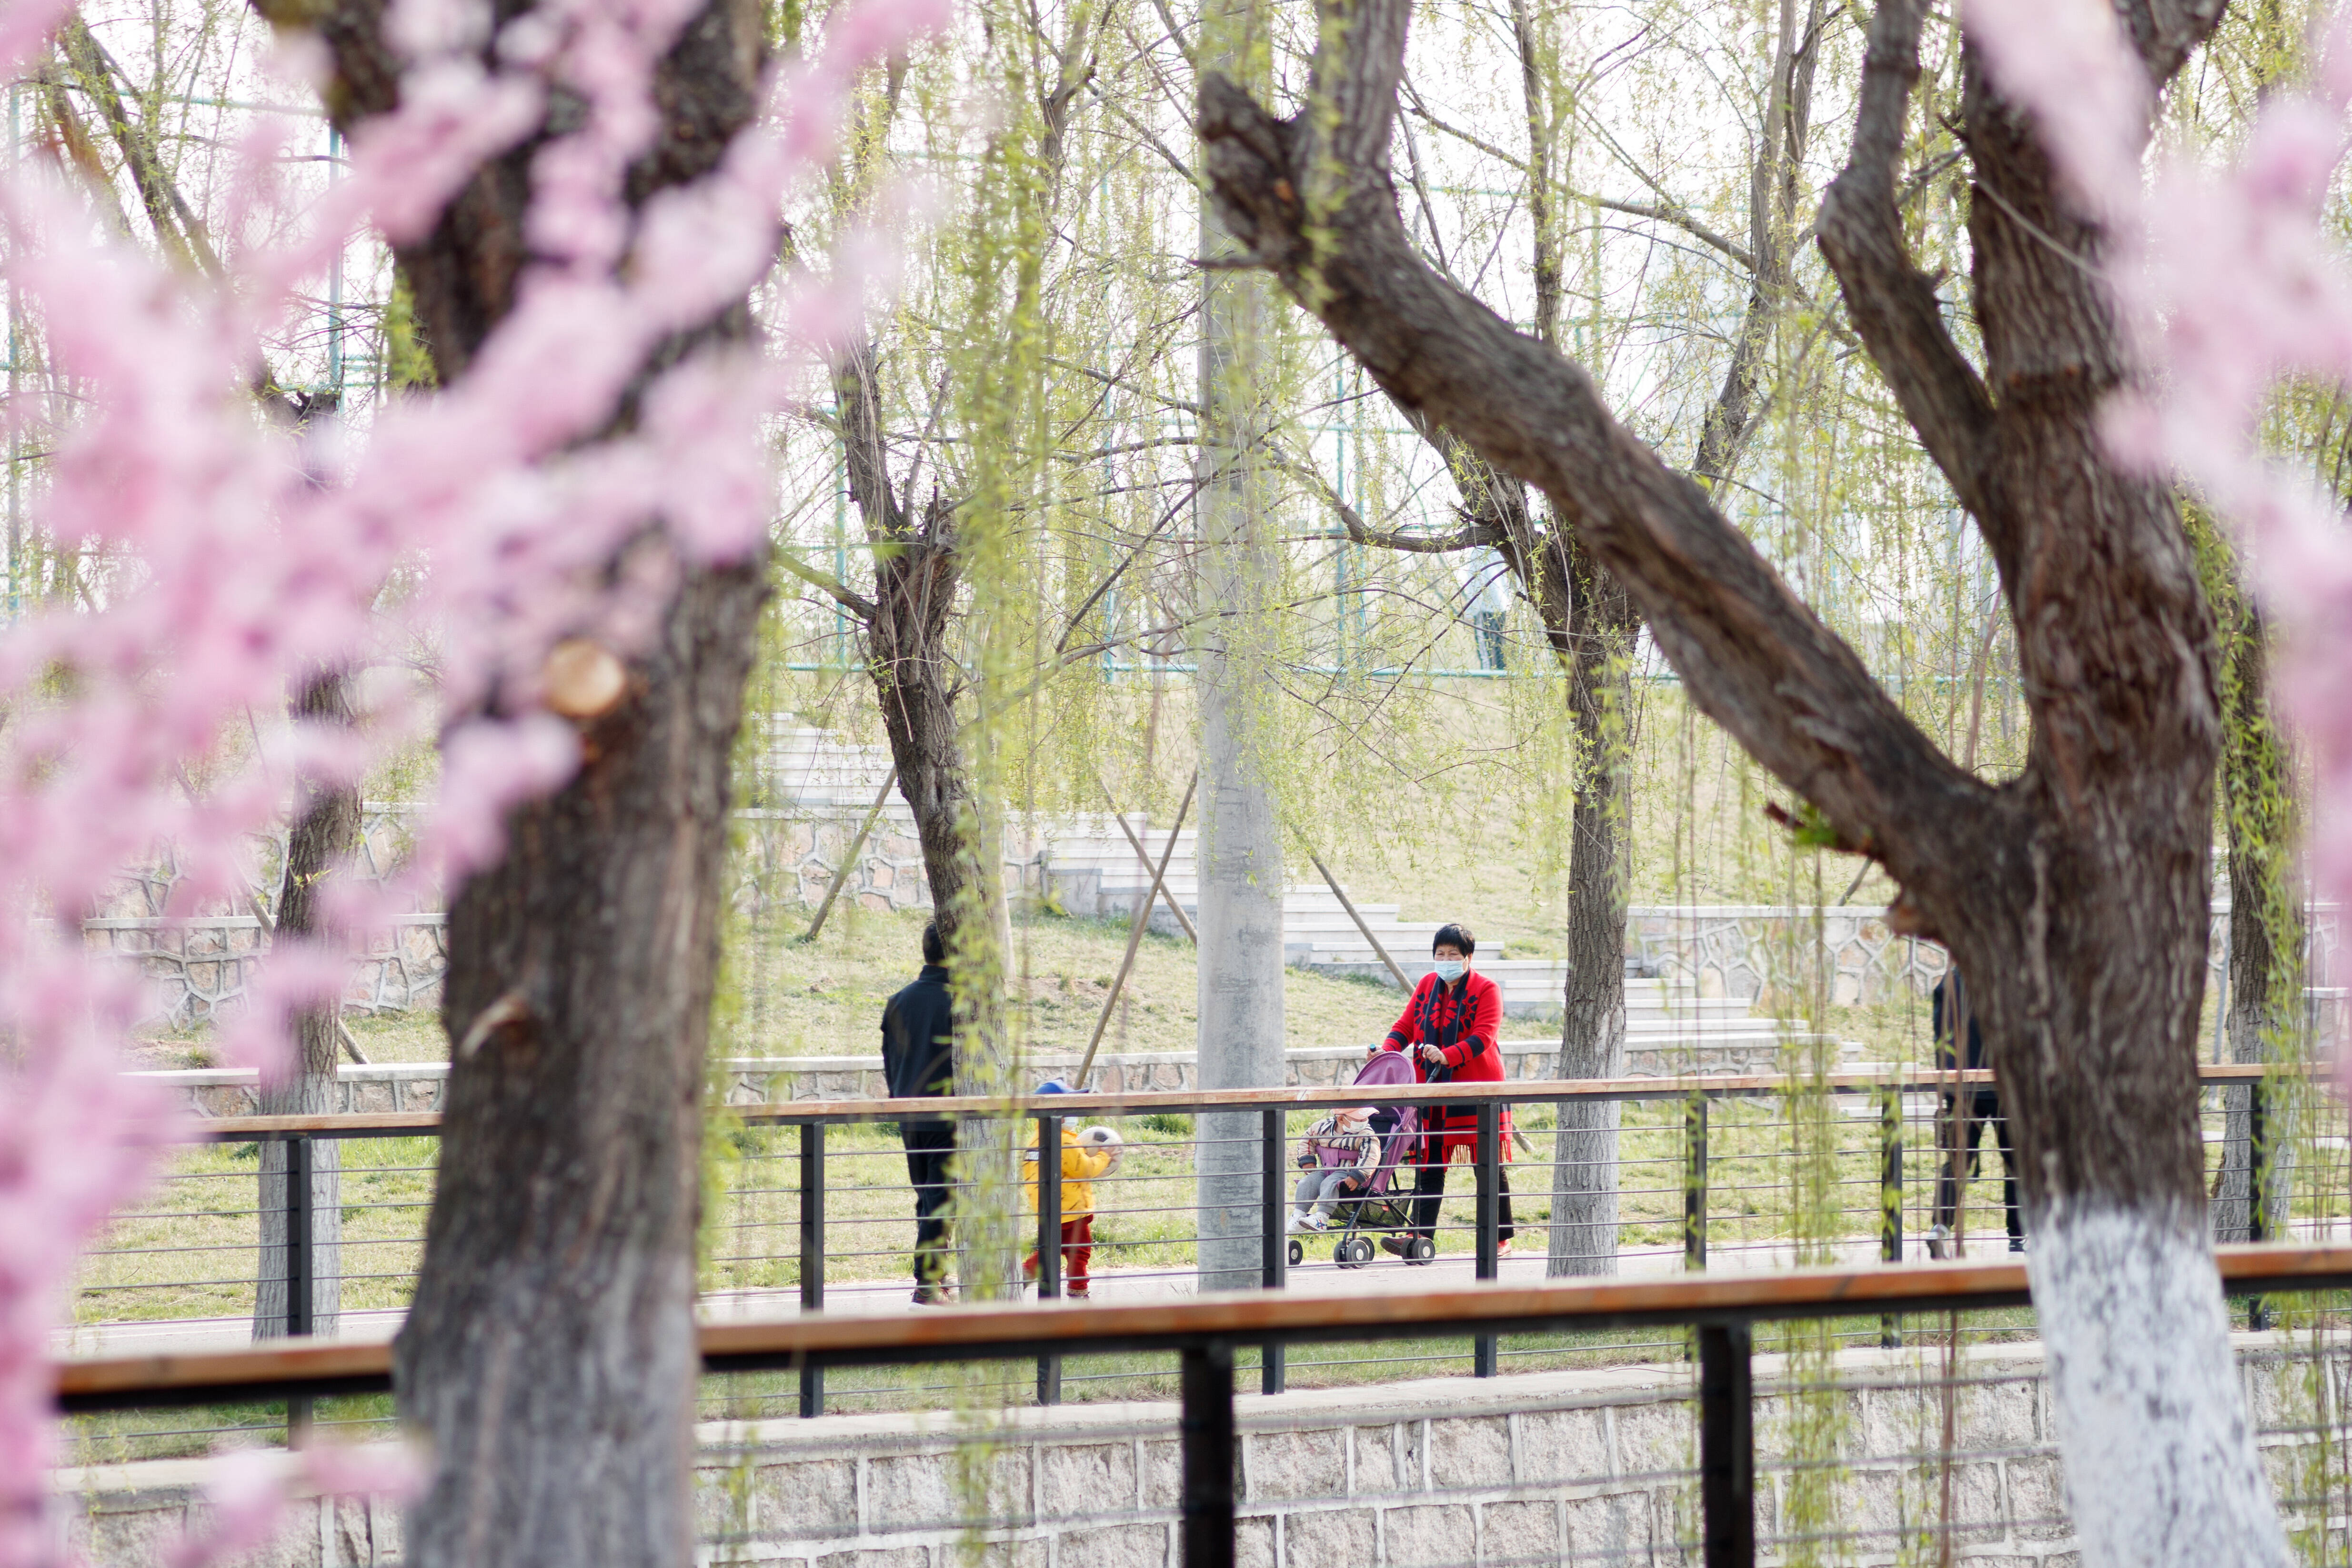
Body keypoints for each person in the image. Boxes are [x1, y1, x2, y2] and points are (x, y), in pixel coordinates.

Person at [1368, 923, 1516, 1259]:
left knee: (1487, 1165)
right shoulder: (1426, 985)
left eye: (1453, 955)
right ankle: (1419, 1237)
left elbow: (1484, 1037)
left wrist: (1448, 1055)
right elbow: (1406, 1026)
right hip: (1432, 1088)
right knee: (1428, 1163)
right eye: (1441, 954)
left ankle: (1500, 1240)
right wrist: (1386, 1052)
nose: (1446, 960)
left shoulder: (1487, 989)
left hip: (1477, 1090)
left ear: (1469, 958)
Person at [882, 920, 958, 1304]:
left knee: (928, 1197)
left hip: (909, 1114)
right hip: (949, 1116)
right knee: (941, 1199)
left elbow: (890, 1062)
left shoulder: (899, 1001)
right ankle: (928, 1284)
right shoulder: (962, 1003)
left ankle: (936, 1277)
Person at [1929, 965, 2023, 1256]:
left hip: (1963, 1086)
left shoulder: (1951, 981)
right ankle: (2019, 1236)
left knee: (1959, 1159)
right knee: (2017, 1162)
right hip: (2006, 1085)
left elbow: (1940, 1035)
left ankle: (1940, 1227)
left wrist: (1947, 1085)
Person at [1022, 1080, 1121, 1298]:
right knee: (1079, 1253)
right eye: (1070, 1106)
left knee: (1051, 1251)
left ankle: (1024, 1275)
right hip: (1072, 1211)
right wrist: (1104, 1156)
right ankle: (1078, 1293)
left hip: (1049, 1209)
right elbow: (1084, 1169)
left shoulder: (1035, 1139)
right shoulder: (1064, 1141)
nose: (1074, 1112)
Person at [1288, 1106, 1379, 1231]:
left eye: (1365, 1118)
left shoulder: (1367, 1135)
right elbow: (1307, 1140)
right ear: (1341, 1119)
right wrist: (1307, 1159)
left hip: (1347, 1174)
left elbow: (1371, 1156)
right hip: (1326, 1170)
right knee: (1308, 1182)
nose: (1364, 1122)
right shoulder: (1322, 1128)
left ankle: (1322, 1218)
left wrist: (1358, 1175)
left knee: (1330, 1182)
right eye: (1359, 1120)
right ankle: (1298, 1215)